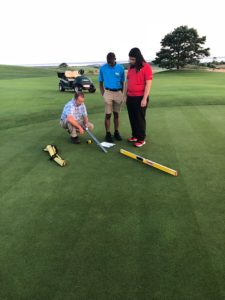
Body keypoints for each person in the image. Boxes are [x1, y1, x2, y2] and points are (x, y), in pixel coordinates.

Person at [125, 48, 153, 147]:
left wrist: (144, 98)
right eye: (130, 59)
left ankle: (141, 139)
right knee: (132, 118)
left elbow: (148, 84)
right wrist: (125, 96)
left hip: (140, 97)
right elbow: (127, 82)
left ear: (138, 58)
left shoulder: (146, 67)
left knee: (139, 118)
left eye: (132, 59)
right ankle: (135, 136)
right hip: (130, 97)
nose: (130, 61)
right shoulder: (130, 68)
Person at [99, 52, 125, 142]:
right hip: (108, 92)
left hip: (118, 92)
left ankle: (116, 132)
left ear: (115, 59)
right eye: (108, 62)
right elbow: (100, 83)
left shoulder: (120, 68)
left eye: (111, 61)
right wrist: (103, 94)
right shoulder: (103, 68)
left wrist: (122, 94)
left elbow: (122, 82)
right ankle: (108, 133)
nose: (109, 63)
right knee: (108, 114)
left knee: (116, 114)